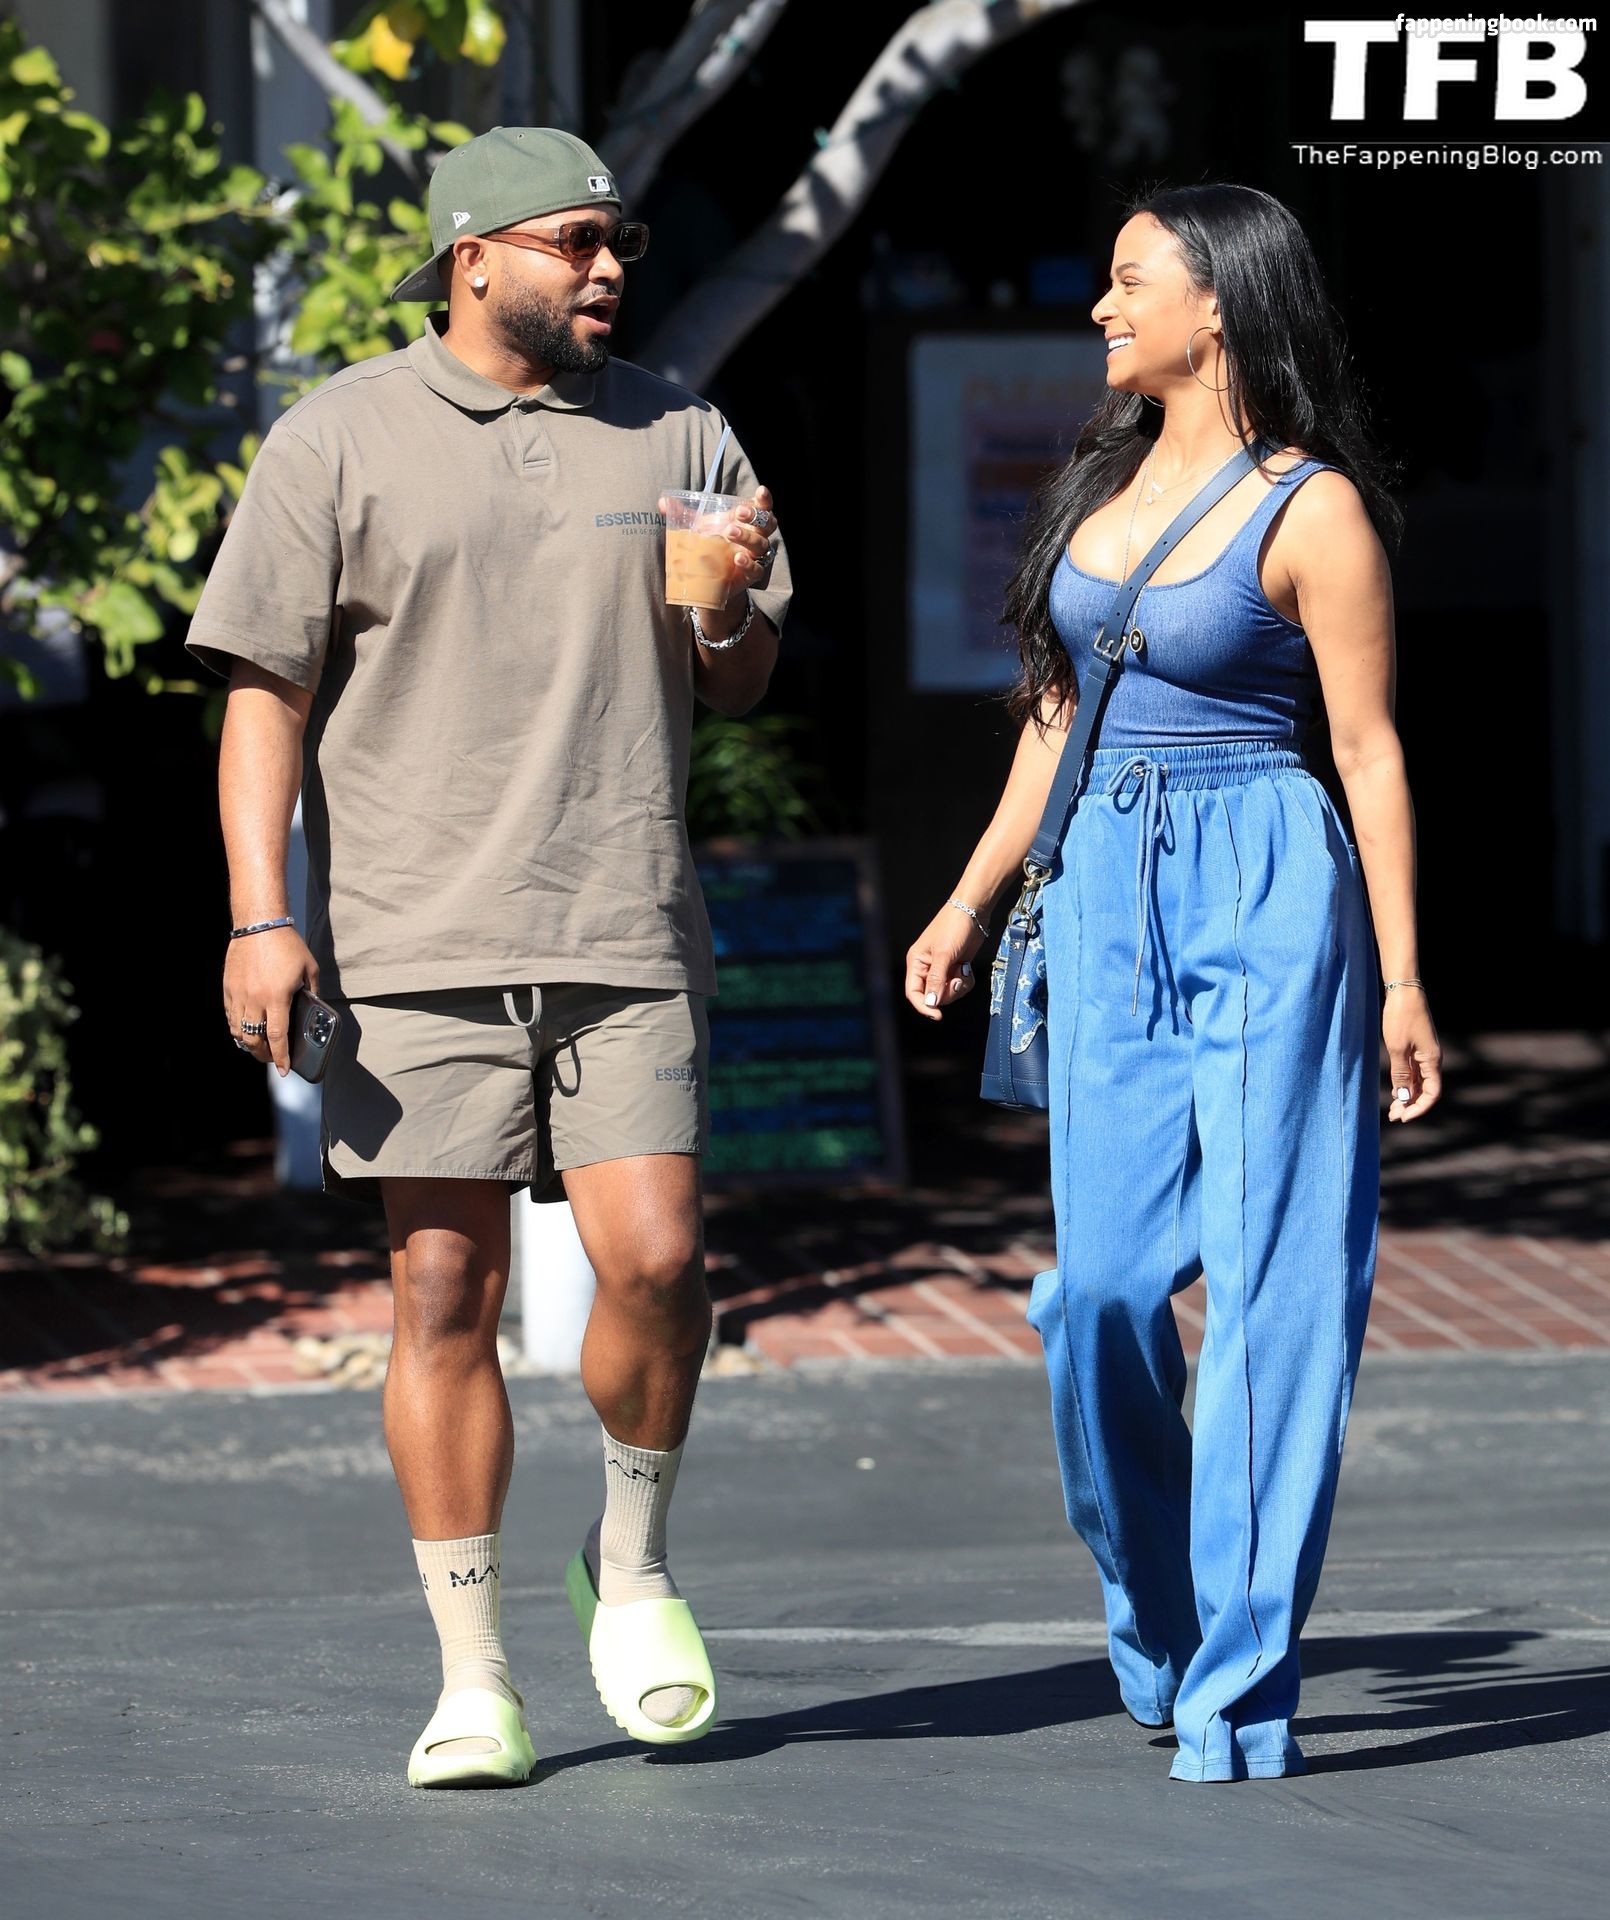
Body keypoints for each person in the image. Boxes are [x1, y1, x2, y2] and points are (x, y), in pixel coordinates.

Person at [186, 127, 791, 1787]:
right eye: (574, 241)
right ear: (472, 258)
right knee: (442, 1291)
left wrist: (723, 606)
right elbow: (263, 695)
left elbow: (734, 678)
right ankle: (474, 1680)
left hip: (622, 920)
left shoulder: (679, 430)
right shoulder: (336, 437)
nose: (607, 270)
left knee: (656, 1261)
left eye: (619, 244)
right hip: (411, 940)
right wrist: (260, 914)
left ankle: (632, 1565)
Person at [904, 184, 1440, 1783]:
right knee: (1100, 1292)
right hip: (1101, 896)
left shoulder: (1311, 510)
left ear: (1216, 304)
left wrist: (1402, 977)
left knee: (1275, 1301)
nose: (1100, 307)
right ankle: (1158, 1611)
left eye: (1128, 280)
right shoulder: (1096, 486)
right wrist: (967, 895)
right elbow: (1054, 717)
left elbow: (1367, 752)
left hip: (1266, 880)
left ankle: (1238, 1692)